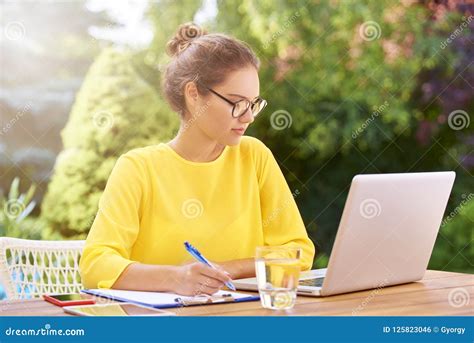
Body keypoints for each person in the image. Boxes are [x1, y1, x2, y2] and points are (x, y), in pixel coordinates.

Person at [79, 22, 315, 296]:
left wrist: (227, 269)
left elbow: (298, 252)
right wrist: (176, 278)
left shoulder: (255, 156)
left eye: (253, 104)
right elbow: (95, 265)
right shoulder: (138, 168)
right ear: (193, 94)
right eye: (236, 102)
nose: (248, 116)